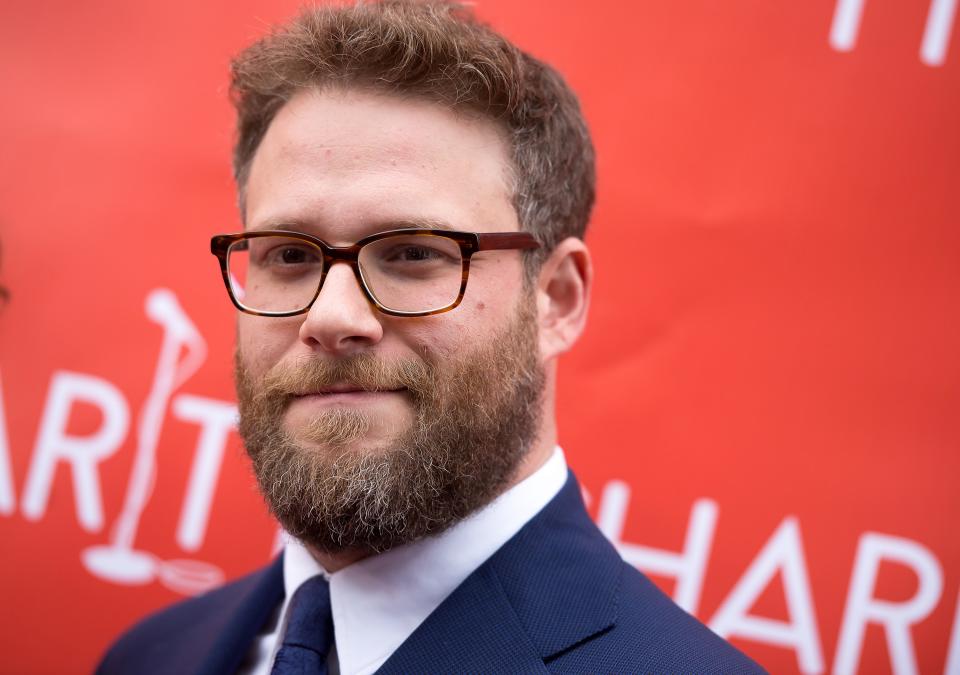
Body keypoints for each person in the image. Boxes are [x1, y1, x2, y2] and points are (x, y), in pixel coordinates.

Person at [97, 2, 765, 673]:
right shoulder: (149, 656)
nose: (330, 317)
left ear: (556, 298)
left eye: (414, 253)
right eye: (290, 256)